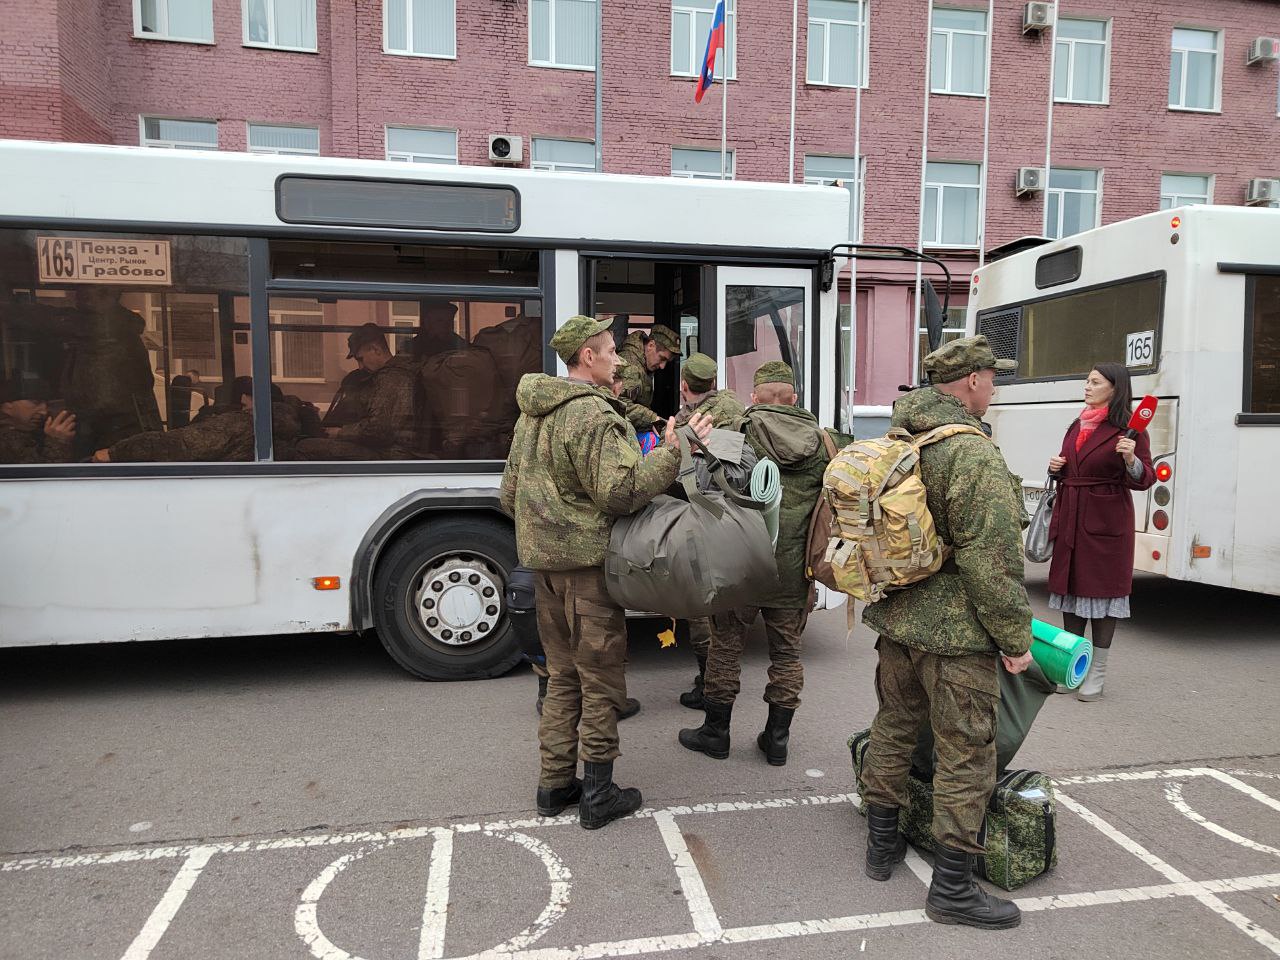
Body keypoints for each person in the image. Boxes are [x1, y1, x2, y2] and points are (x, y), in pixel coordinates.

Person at [500, 314, 711, 830]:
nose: (619, 360)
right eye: (612, 351)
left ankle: (554, 786)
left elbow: (509, 494)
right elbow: (621, 492)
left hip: (543, 569)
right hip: (590, 574)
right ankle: (598, 793)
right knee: (600, 682)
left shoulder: (533, 413)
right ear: (588, 357)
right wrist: (672, 452)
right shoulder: (594, 415)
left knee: (560, 677)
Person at [857, 336, 1033, 931]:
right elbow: (992, 561)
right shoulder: (972, 453)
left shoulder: (900, 438)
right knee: (966, 753)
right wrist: (1015, 640)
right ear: (972, 382)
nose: (994, 389)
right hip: (957, 635)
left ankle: (881, 847)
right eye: (992, 379)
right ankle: (952, 888)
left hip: (897, 619)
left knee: (893, 727)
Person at [677, 360, 830, 766]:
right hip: (794, 572)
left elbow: (705, 488)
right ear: (794, 398)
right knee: (787, 655)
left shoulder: (737, 432)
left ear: (754, 397)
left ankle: (716, 734)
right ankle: (777, 740)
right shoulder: (825, 442)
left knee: (725, 648)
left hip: (741, 564)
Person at [1046, 362, 1155, 701]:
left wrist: (1131, 460)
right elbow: (1071, 468)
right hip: (1071, 517)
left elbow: (1146, 479)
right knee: (1071, 593)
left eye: (1095, 382)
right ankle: (1072, 666)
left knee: (1103, 598)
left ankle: (1098, 671)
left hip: (1107, 522)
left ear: (1114, 388)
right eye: (1087, 381)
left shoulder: (1130, 430)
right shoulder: (1077, 423)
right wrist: (1056, 469)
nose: (1087, 386)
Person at [671, 353, 747, 710]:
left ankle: (709, 682)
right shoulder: (735, 408)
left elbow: (689, 475)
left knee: (702, 608)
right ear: (714, 383)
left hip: (704, 518)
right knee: (724, 606)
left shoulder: (692, 422)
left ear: (684, 386)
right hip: (735, 519)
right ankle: (718, 677)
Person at [95, 378, 302, 463]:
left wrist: (115, 453)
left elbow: (184, 445)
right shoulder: (285, 424)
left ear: (248, 398)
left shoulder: (241, 424)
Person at [298, 324, 419, 461]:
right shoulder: (387, 375)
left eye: (361, 359)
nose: (360, 367)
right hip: (385, 449)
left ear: (375, 349)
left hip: (390, 454)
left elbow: (379, 430)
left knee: (304, 447)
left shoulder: (392, 378)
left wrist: (340, 433)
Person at [0, 377, 77, 464]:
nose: (44, 412)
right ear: (7, 407)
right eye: (35, 403)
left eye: (47, 404)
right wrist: (57, 442)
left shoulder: (38, 432)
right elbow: (33, 471)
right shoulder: (4, 440)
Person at [616, 324, 680, 426]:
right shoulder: (630, 366)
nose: (662, 366)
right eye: (662, 358)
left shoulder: (642, 363)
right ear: (651, 345)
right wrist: (654, 419)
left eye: (666, 361)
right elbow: (620, 404)